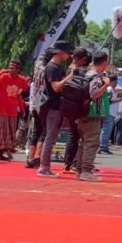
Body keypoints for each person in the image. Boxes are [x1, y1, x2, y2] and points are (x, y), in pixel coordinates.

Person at [37, 41, 75, 177]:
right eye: (67, 52)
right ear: (60, 53)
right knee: (50, 137)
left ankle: (44, 166)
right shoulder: (52, 68)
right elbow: (56, 87)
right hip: (52, 106)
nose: (68, 55)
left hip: (56, 106)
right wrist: (70, 77)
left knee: (51, 136)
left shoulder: (57, 67)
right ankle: (44, 167)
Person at [74, 51, 112, 181]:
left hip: (82, 113)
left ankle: (80, 169)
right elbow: (94, 94)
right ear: (104, 63)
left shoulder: (86, 74)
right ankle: (86, 170)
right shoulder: (95, 77)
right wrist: (106, 85)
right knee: (91, 142)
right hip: (91, 114)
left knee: (83, 143)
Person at [0, 60, 28, 160]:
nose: (10, 69)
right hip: (2, 108)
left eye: (12, 68)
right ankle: (0, 152)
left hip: (13, 110)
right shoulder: (4, 77)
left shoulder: (22, 80)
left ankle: (6, 151)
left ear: (18, 69)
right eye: (9, 67)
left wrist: (21, 106)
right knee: (2, 131)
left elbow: (22, 91)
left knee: (11, 131)